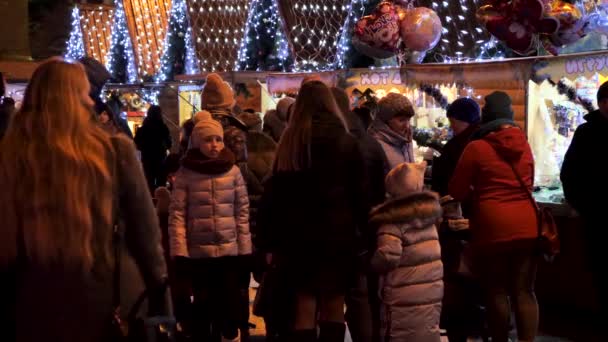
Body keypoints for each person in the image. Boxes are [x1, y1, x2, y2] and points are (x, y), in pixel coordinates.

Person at [0, 57, 168, 342]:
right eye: (84, 94)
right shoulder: (113, 152)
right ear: (74, 100)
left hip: (28, 303)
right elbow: (145, 235)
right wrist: (159, 295)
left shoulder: (11, 156)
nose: (92, 102)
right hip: (99, 297)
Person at [257, 80, 369, 342]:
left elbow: (275, 194)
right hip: (338, 235)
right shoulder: (346, 140)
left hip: (298, 236)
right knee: (334, 303)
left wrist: (268, 242)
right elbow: (360, 194)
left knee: (304, 301)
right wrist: (363, 234)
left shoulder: (290, 141)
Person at [449, 91, 538, 342]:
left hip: (493, 226)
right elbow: (530, 182)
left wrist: (478, 188)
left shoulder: (476, 147)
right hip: (528, 225)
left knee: (496, 290)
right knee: (525, 291)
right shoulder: (525, 143)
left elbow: (456, 190)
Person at [169, 111, 251, 342]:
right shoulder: (186, 173)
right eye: (208, 140)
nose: (214, 145)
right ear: (196, 142)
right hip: (199, 254)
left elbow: (241, 213)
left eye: (218, 139)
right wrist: (180, 251)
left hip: (228, 252)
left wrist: (245, 250)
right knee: (203, 306)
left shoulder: (232, 171)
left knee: (226, 304)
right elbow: (177, 215)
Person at [332, 87, 385, 342]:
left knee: (332, 296)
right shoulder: (369, 141)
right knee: (361, 295)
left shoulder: (335, 140)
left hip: (340, 228)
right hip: (365, 228)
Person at [370, 162, 444, 342]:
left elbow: (388, 256)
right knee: (425, 327)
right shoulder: (429, 219)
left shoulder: (392, 222)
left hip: (401, 297)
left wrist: (371, 264)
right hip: (430, 292)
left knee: (402, 332)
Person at [561, 80, 608, 321]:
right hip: (597, 217)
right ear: (601, 104)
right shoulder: (586, 133)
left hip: (594, 216)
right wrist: (583, 205)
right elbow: (569, 174)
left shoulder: (586, 132)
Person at [431, 97, 481, 197]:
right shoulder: (481, 136)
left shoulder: (460, 144)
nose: (451, 126)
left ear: (464, 121)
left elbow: (447, 177)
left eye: (453, 122)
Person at [368, 93, 415, 173]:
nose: (407, 126)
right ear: (386, 121)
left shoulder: (406, 139)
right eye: (401, 120)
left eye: (408, 120)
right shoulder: (374, 145)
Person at [135, 105, 172, 192]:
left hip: (147, 158)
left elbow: (137, 143)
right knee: (161, 182)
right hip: (160, 158)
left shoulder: (143, 129)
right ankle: (161, 201)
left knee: (149, 182)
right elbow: (169, 143)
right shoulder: (163, 128)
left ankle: (150, 201)